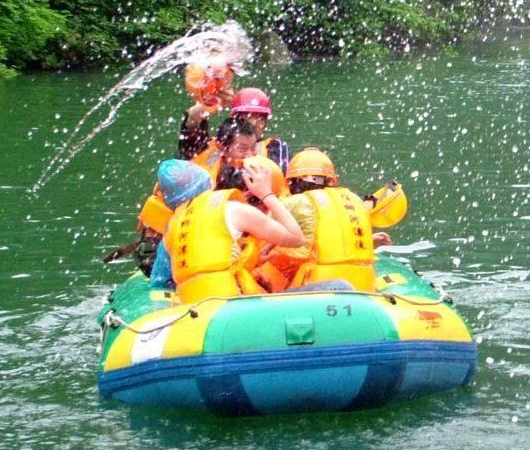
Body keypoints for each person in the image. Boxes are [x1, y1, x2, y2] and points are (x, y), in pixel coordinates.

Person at [151, 158, 305, 301]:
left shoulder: (170, 230)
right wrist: (267, 194)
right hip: (231, 305)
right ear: (207, 182)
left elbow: (159, 284)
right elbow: (296, 238)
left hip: (194, 312)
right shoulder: (231, 210)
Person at [255, 148, 395, 292]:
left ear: (292, 182)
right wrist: (370, 242)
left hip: (319, 287)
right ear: (331, 181)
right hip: (364, 286)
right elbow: (335, 239)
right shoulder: (355, 200)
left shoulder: (295, 202)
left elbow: (260, 230)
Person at [182, 86, 289, 171]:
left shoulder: (275, 148)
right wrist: (209, 104)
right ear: (235, 118)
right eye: (249, 116)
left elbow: (280, 180)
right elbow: (192, 124)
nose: (255, 122)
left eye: (261, 118)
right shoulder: (212, 146)